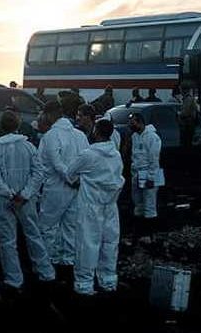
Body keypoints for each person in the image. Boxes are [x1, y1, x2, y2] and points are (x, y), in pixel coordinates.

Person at [0, 110, 54, 294]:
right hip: (26, 200)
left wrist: (8, 193)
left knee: (7, 240)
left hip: (5, 200)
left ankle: (14, 278)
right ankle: (45, 271)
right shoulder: (29, 147)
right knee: (33, 234)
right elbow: (38, 172)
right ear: (17, 125)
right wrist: (25, 194)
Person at [64, 119, 124, 296]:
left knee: (87, 244)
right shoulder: (116, 154)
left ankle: (84, 284)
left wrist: (80, 181)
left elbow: (69, 174)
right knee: (110, 243)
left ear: (96, 132)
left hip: (91, 205)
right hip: (111, 205)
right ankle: (108, 280)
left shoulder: (88, 155)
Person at [37, 100, 89, 274]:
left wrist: (69, 177)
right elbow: (86, 160)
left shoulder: (51, 136)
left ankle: (47, 264)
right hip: (77, 187)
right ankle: (67, 263)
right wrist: (78, 179)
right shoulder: (80, 135)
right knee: (70, 226)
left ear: (51, 115)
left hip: (56, 187)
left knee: (48, 226)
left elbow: (55, 162)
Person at [129, 112, 162, 230]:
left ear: (140, 123)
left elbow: (154, 158)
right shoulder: (135, 136)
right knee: (138, 204)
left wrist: (151, 177)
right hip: (137, 173)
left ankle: (150, 233)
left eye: (133, 123)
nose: (131, 126)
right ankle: (140, 232)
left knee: (149, 205)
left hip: (149, 172)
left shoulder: (152, 137)